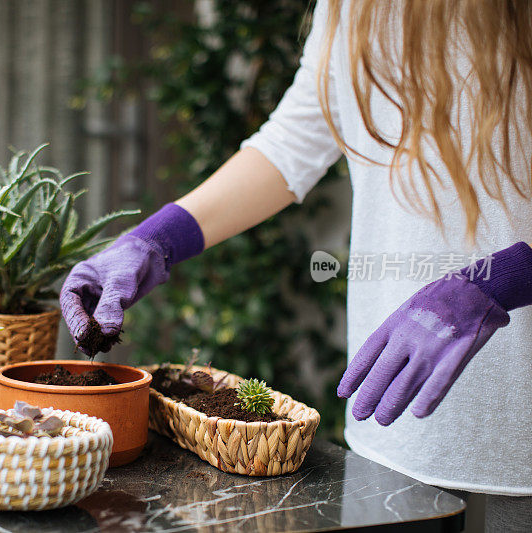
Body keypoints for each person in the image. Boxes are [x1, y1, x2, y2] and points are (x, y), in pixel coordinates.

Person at [59, 1, 532, 530]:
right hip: (394, 408)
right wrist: (155, 240)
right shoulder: (353, 9)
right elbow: (292, 143)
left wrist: (502, 281)